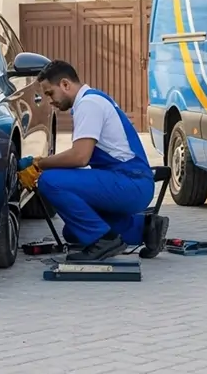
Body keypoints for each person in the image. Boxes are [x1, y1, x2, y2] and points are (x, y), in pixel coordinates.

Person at [16, 60, 169, 262]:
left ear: (65, 84)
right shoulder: (92, 100)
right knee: (73, 233)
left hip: (130, 183)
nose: (49, 101)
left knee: (50, 181)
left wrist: (39, 164)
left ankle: (105, 241)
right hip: (129, 181)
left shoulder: (88, 105)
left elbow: (80, 156)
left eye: (50, 93)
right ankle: (146, 229)